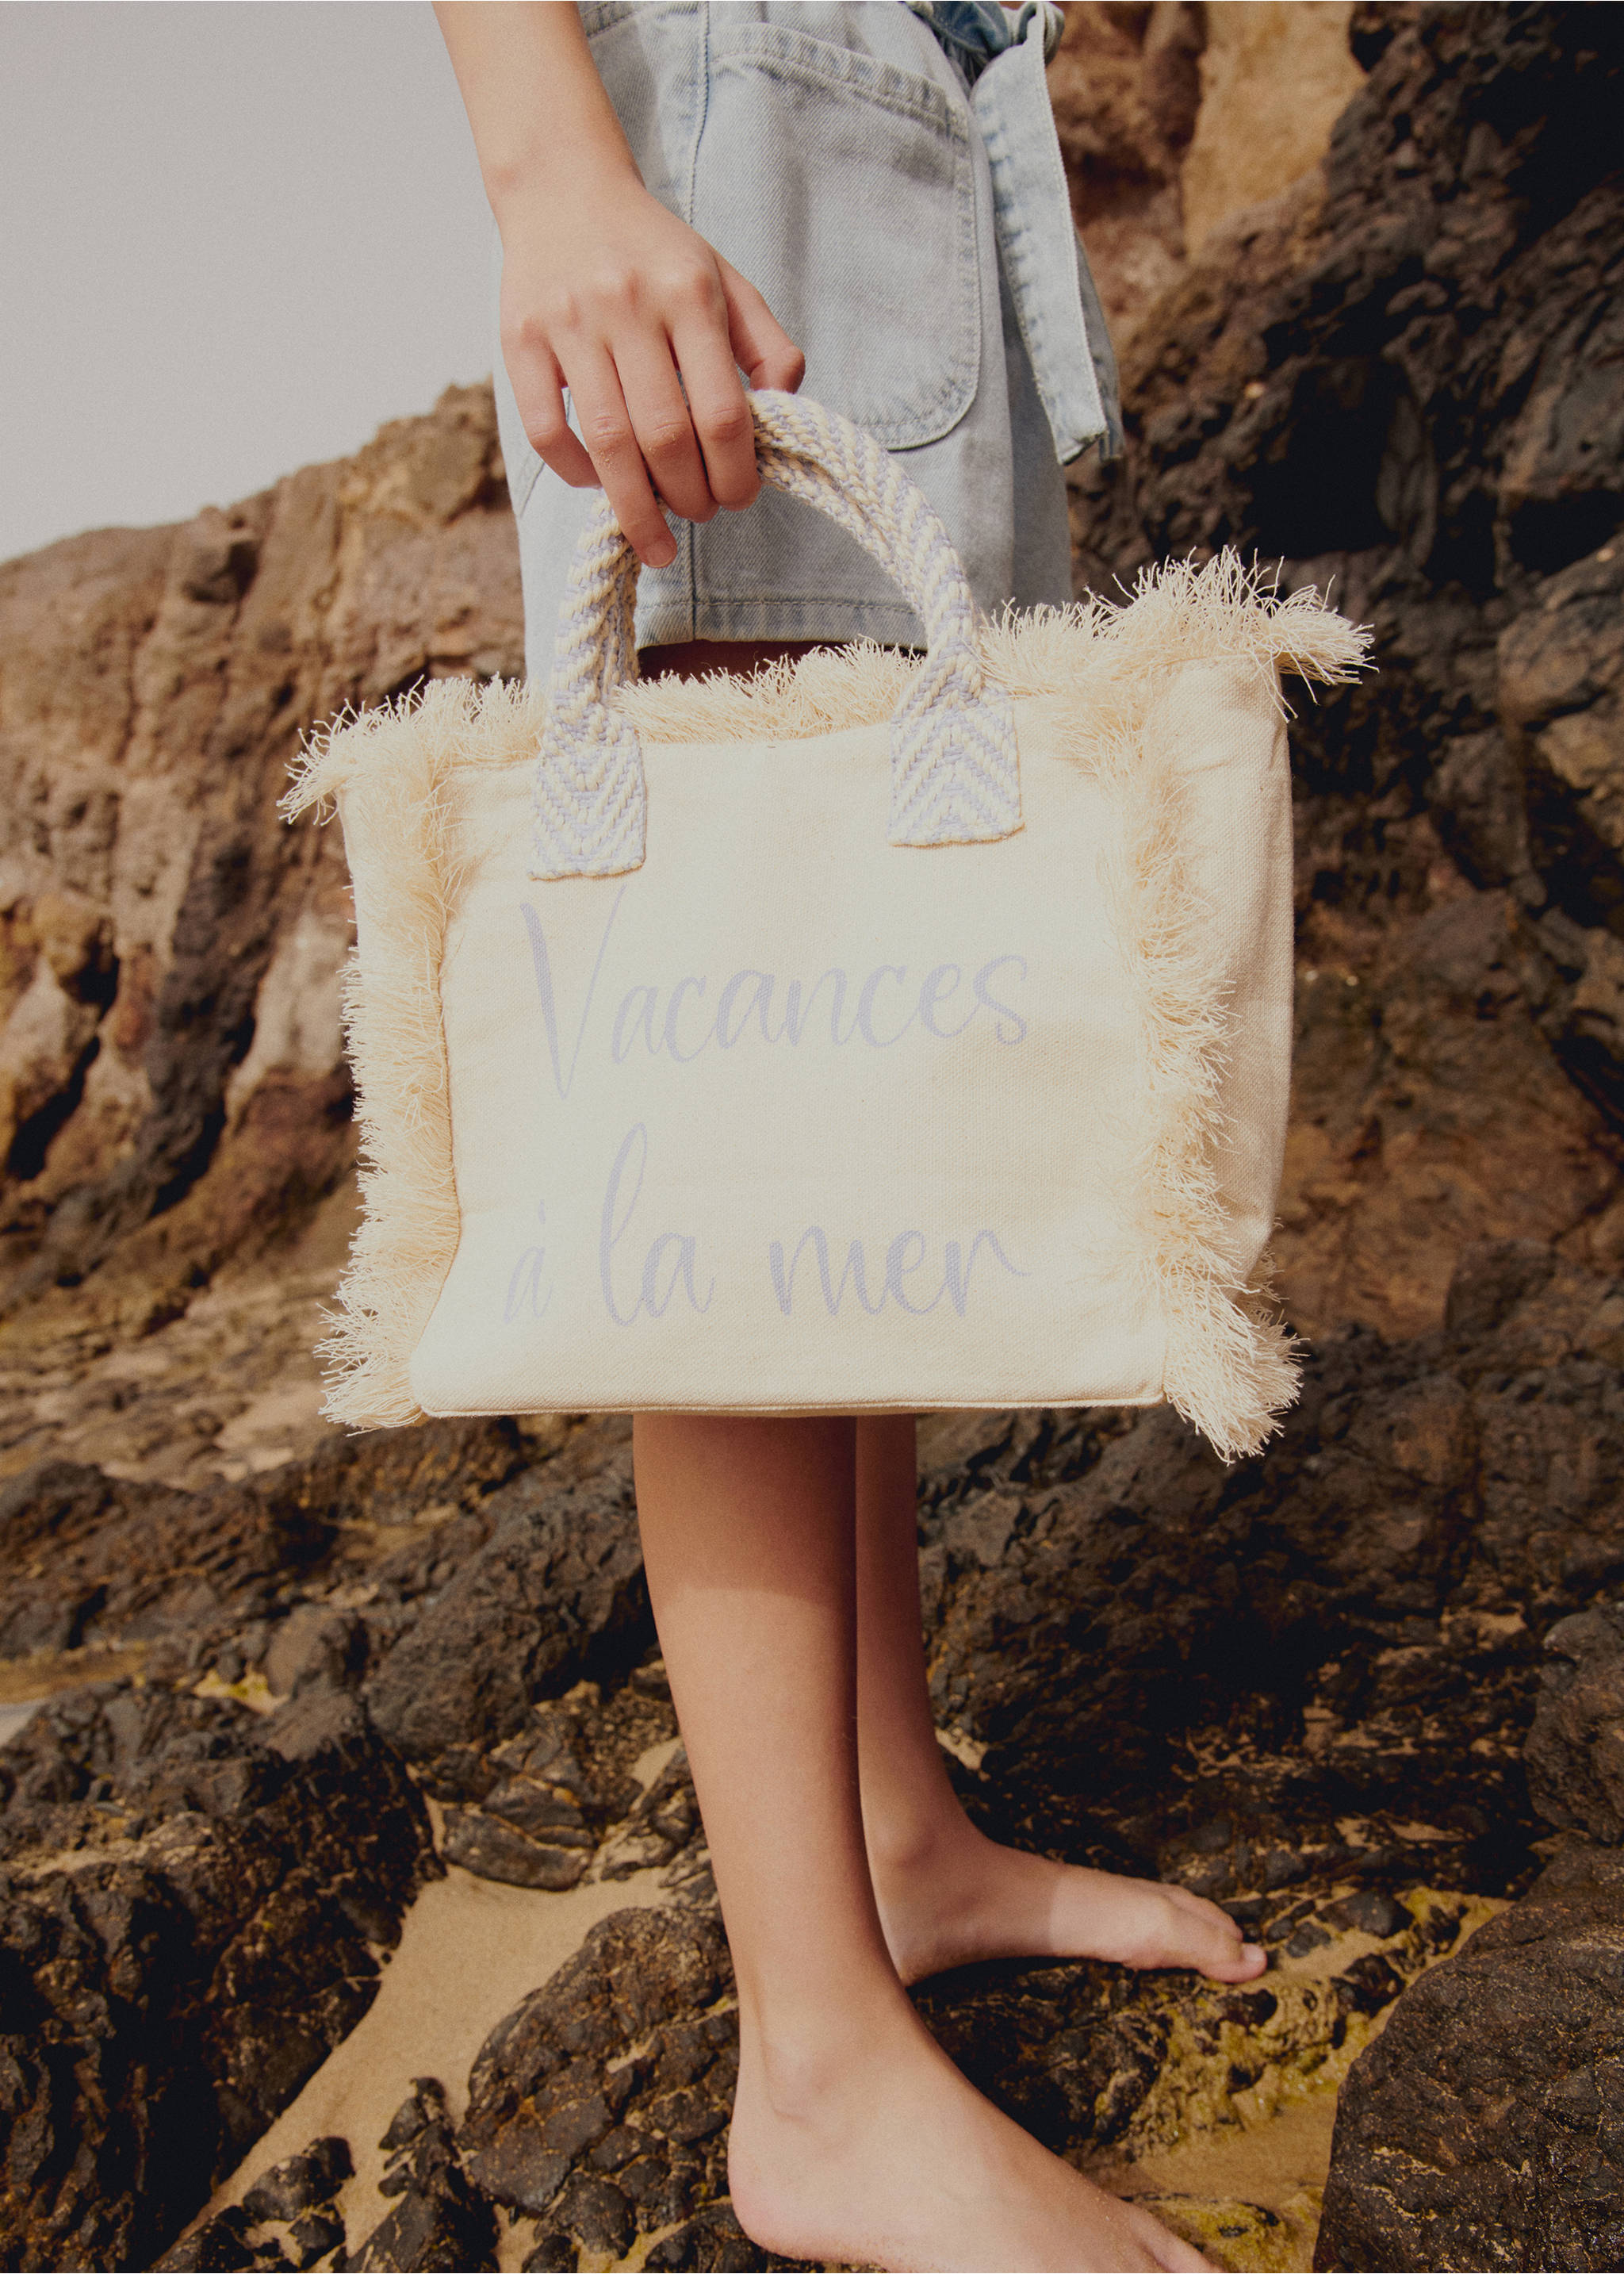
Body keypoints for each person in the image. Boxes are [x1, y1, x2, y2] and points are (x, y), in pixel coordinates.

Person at [433, 7, 1265, 2268]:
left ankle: (893, 1831)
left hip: (900, 132)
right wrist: (550, 169)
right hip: (736, 114)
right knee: (727, 1097)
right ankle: (813, 2064)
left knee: (831, 1045)